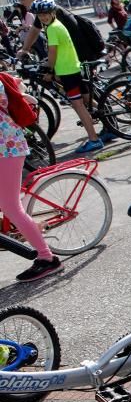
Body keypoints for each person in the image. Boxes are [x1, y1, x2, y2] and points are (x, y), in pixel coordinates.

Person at [0, 73, 61, 281]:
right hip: (7, 147)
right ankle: (26, 226)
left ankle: (47, 258)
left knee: (10, 206)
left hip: (7, 149)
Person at [32, 0, 105, 153]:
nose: (43, 17)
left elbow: (53, 52)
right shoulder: (58, 25)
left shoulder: (52, 29)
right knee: (87, 100)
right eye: (39, 15)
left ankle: (94, 139)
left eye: (45, 14)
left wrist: (50, 70)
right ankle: (110, 122)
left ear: (53, 13)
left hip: (67, 72)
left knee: (78, 106)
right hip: (75, 67)